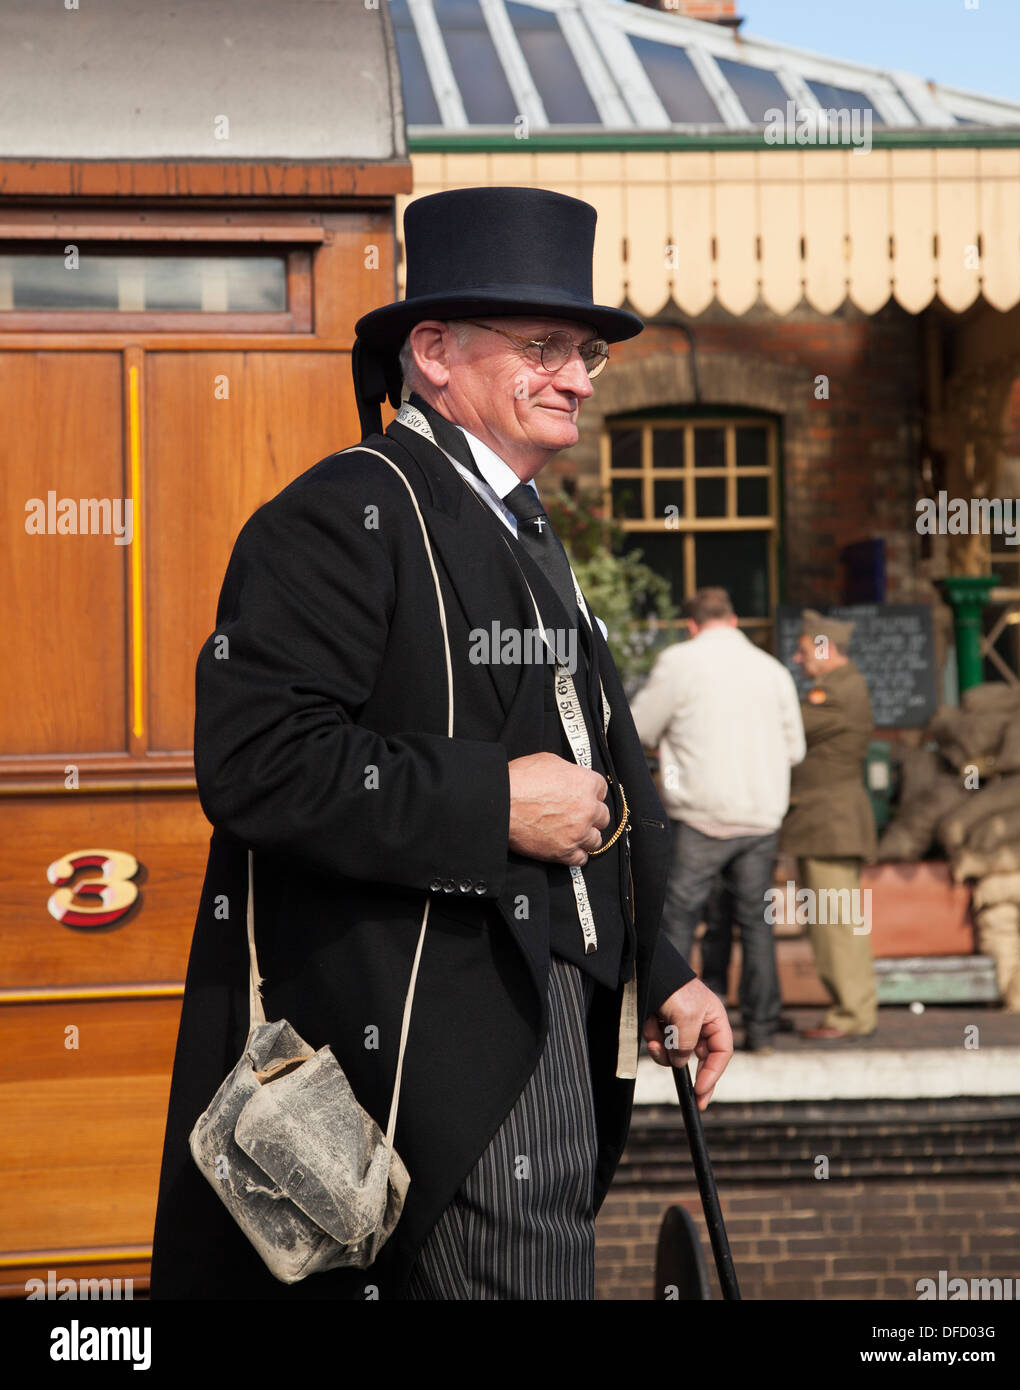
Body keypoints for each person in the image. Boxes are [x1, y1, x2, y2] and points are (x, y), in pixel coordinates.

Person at [149, 186, 732, 1302]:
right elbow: (255, 761)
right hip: (441, 1067)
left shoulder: (521, 524)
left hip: (550, 1023)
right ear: (432, 352)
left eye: (585, 353)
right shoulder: (346, 508)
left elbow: (588, 766)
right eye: (543, 346)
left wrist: (658, 970)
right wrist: (492, 802)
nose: (573, 375)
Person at [630, 588, 806, 1054]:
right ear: (732, 619)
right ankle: (762, 1030)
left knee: (679, 920)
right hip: (760, 817)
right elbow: (796, 750)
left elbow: (639, 729)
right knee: (755, 923)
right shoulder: (772, 670)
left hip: (701, 814)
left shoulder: (679, 662)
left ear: (691, 624)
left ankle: (673, 1028)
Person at [780, 610, 878, 1041]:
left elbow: (788, 727)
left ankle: (852, 1014)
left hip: (830, 823)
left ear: (824, 648)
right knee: (832, 921)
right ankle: (851, 1009)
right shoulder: (838, 687)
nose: (799, 660)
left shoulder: (836, 692)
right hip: (826, 823)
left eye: (804, 652)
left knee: (835, 922)